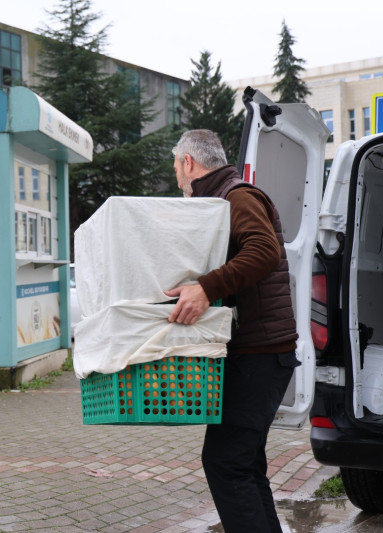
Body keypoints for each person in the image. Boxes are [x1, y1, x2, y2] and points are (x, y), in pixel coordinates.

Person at [164, 129, 300, 533]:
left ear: (188, 162)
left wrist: (206, 288)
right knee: (244, 463)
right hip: (255, 353)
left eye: (175, 166)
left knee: (226, 461)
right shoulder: (219, 200)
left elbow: (264, 251)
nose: (176, 176)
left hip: (261, 354)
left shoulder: (237, 196)